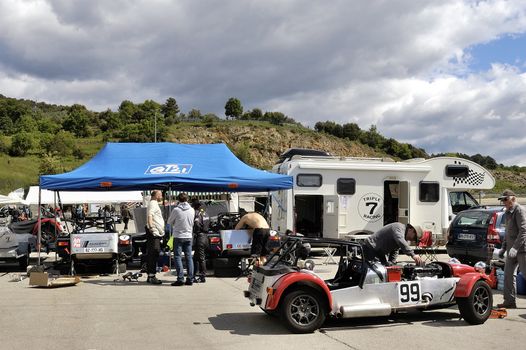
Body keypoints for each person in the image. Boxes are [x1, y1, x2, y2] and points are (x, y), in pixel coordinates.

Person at [497, 189, 526, 309]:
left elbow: (524, 231)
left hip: (522, 249)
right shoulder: (508, 213)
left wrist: (515, 247)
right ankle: (509, 301)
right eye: (502, 199)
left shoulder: (519, 210)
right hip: (511, 250)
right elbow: (508, 233)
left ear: (513, 199)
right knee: (508, 275)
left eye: (505, 199)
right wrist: (503, 248)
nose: (503, 202)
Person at [167, 193, 195, 286]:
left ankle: (180, 278)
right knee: (189, 258)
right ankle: (190, 278)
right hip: (188, 235)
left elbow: (169, 222)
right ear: (187, 199)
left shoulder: (176, 210)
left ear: (178, 200)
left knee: (177, 257)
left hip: (178, 235)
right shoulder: (192, 210)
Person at [146, 190, 165, 285]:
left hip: (156, 232)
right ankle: (151, 275)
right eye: (160, 194)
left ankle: (150, 275)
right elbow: (150, 215)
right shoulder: (153, 203)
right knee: (154, 252)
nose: (162, 195)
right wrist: (152, 228)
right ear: (156, 195)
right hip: (154, 233)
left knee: (154, 253)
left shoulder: (154, 203)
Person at [191, 199, 210, 283]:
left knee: (201, 258)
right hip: (205, 237)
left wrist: (194, 231)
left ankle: (202, 276)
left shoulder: (198, 214)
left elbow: (197, 225)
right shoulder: (205, 213)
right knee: (195, 258)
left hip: (200, 237)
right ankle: (194, 275)